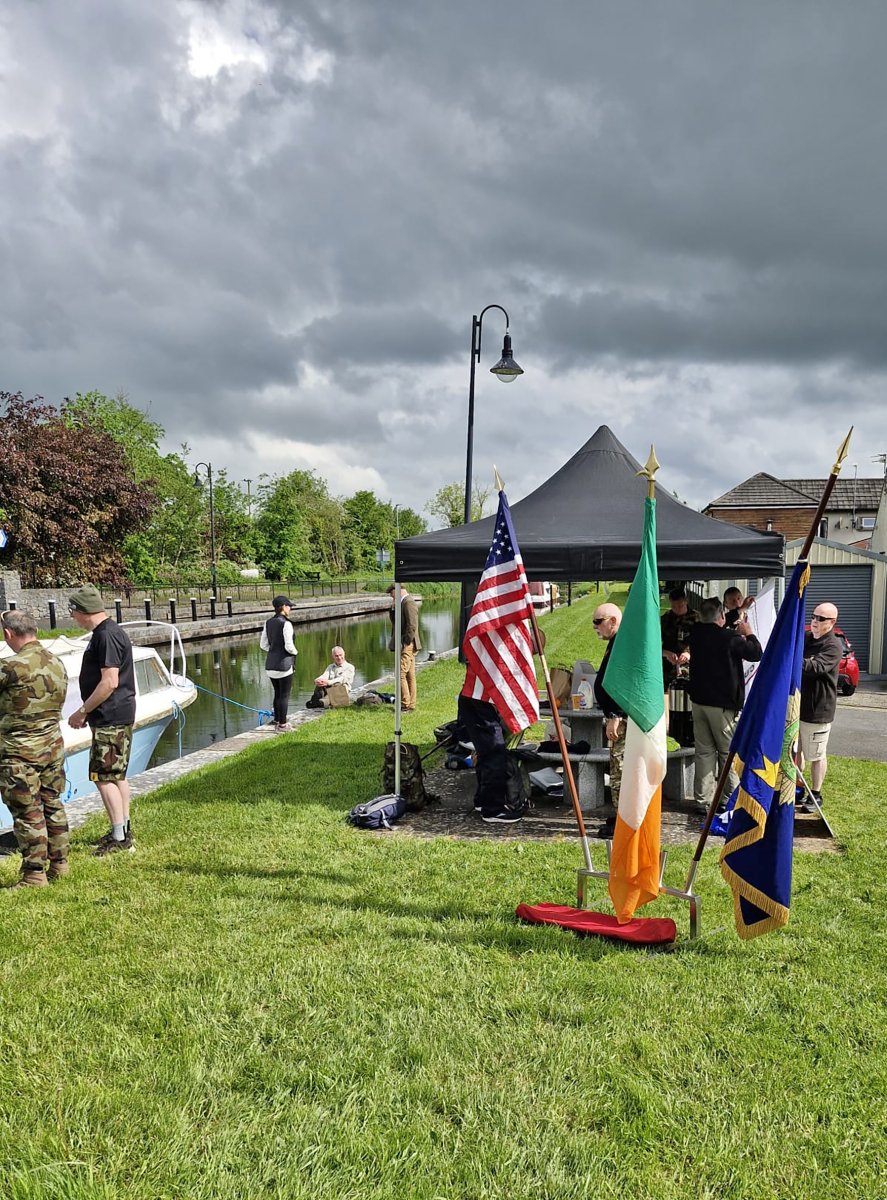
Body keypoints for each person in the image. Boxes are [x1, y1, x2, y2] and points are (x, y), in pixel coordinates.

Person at [0, 609, 70, 888]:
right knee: (52, 805)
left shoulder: (10, 667)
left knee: (28, 813)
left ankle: (33, 875)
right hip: (52, 748)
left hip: (19, 754)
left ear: (8, 634)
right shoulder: (57, 662)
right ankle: (60, 864)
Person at [67, 585, 137, 855]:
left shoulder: (106, 636)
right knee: (116, 774)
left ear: (82, 611)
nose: (73, 618)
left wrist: (82, 711)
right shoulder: (109, 632)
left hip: (110, 717)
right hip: (115, 715)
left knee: (103, 775)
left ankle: (119, 839)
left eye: (73, 612)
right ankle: (123, 828)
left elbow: (109, 682)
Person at [688, 597, 762, 812]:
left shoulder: (696, 633)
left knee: (703, 752)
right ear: (721, 616)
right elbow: (756, 653)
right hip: (722, 706)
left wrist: (740, 610)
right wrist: (748, 632)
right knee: (727, 752)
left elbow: (712, 619)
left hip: (699, 702)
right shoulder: (730, 638)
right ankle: (729, 799)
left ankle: (702, 800)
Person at [798, 603, 841, 811]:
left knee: (816, 754)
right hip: (798, 704)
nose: (815, 621)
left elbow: (816, 667)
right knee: (796, 751)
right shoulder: (805, 639)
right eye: (814, 616)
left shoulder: (833, 646)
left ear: (831, 623)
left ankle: (815, 793)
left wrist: (794, 658)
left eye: (821, 619)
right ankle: (798, 786)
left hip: (818, 710)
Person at [592, 602, 626, 819]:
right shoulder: (615, 642)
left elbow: (622, 683)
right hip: (615, 716)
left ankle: (621, 819)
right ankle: (618, 815)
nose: (595, 627)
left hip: (621, 719)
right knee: (616, 768)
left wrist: (615, 715)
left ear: (613, 621)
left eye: (598, 622)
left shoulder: (622, 645)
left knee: (619, 771)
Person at [260, 595, 297, 731]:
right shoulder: (286, 624)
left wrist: (274, 650)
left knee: (277, 693)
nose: (290, 609)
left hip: (270, 665)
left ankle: (276, 719)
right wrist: (295, 653)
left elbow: (263, 644)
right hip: (284, 665)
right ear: (283, 607)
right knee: (285, 695)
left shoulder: (268, 622)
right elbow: (289, 646)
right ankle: (283, 724)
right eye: (289, 606)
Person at [386, 584, 422, 711]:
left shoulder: (408, 603)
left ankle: (405, 704)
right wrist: (392, 609)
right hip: (406, 643)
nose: (391, 596)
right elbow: (396, 623)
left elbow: (412, 625)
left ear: (397, 590)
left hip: (407, 644)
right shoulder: (402, 603)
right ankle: (410, 704)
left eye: (392, 593)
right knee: (410, 675)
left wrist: (406, 642)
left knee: (400, 674)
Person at [660, 587, 698, 690]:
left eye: (680, 605)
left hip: (692, 667)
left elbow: (705, 642)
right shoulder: (664, 620)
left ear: (686, 601)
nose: (677, 609)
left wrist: (689, 653)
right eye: (673, 606)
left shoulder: (697, 619)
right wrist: (665, 653)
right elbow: (651, 644)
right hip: (668, 668)